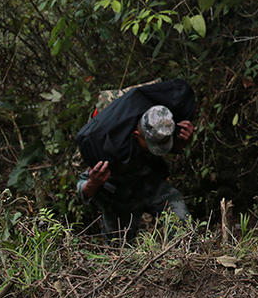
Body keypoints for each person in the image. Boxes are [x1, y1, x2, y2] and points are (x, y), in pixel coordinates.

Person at [77, 103, 194, 241]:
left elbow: (168, 149)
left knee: (182, 227)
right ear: (137, 134)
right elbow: (82, 189)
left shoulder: (158, 128)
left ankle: (183, 251)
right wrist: (94, 182)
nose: (157, 148)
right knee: (118, 248)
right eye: (152, 143)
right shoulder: (105, 147)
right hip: (118, 197)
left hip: (151, 185)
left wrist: (183, 141)